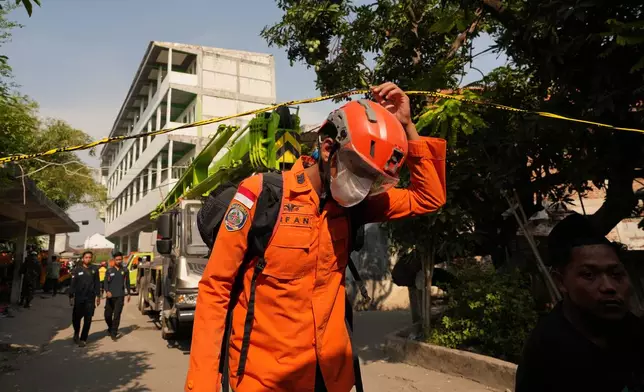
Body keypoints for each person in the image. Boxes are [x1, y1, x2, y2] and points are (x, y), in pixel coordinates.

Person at [185, 82, 447, 392]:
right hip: (266, 380)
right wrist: (202, 386)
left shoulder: (353, 207)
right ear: (328, 148)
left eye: (373, 179)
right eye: (358, 170)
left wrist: (407, 126)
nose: (363, 186)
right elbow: (216, 289)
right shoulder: (261, 196)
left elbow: (429, 197)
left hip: (332, 377)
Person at [515, 213, 644, 392]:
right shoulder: (548, 354)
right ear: (561, 281)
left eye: (616, 274)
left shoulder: (634, 332)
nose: (608, 287)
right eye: (589, 275)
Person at [69, 251, 101, 347]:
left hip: (90, 298)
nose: (88, 259)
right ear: (83, 258)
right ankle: (76, 333)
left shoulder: (95, 269)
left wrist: (98, 296)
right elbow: (73, 284)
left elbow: (97, 283)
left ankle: (83, 339)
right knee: (76, 318)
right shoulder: (77, 270)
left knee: (88, 319)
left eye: (89, 257)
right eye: (86, 257)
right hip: (79, 298)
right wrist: (71, 296)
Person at [103, 252, 131, 340]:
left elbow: (127, 282)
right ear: (114, 260)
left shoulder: (125, 270)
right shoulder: (109, 270)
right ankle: (111, 328)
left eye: (120, 259)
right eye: (117, 259)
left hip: (120, 296)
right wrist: (107, 291)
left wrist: (129, 293)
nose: (119, 261)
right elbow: (105, 283)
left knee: (117, 315)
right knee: (107, 315)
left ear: (122, 259)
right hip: (110, 296)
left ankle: (114, 333)